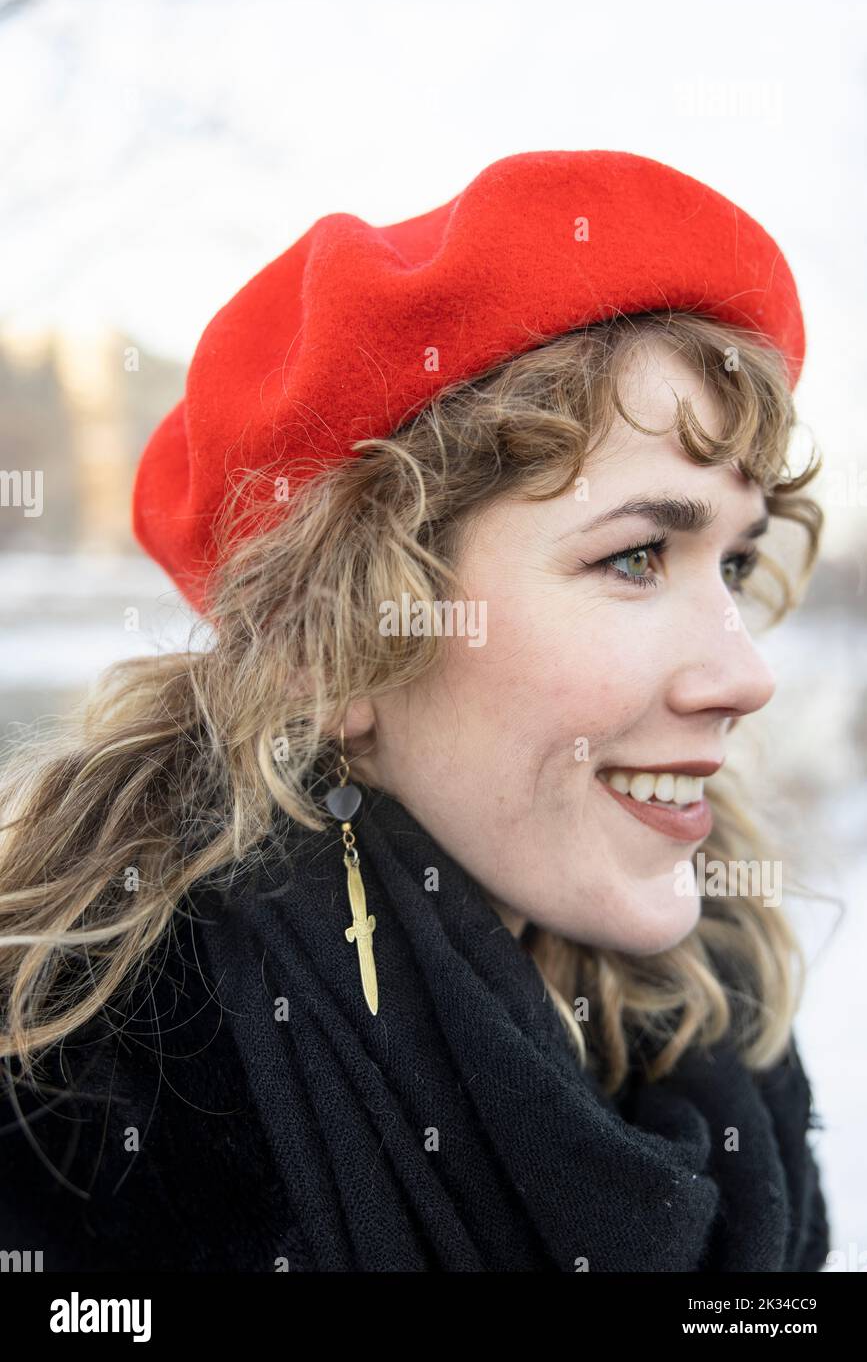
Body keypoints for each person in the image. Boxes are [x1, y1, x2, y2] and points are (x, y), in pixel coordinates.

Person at [0, 150, 830, 1272]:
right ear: (333, 643)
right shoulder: (83, 1113)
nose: (745, 675)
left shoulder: (724, 1033)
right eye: (636, 556)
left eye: (732, 566)